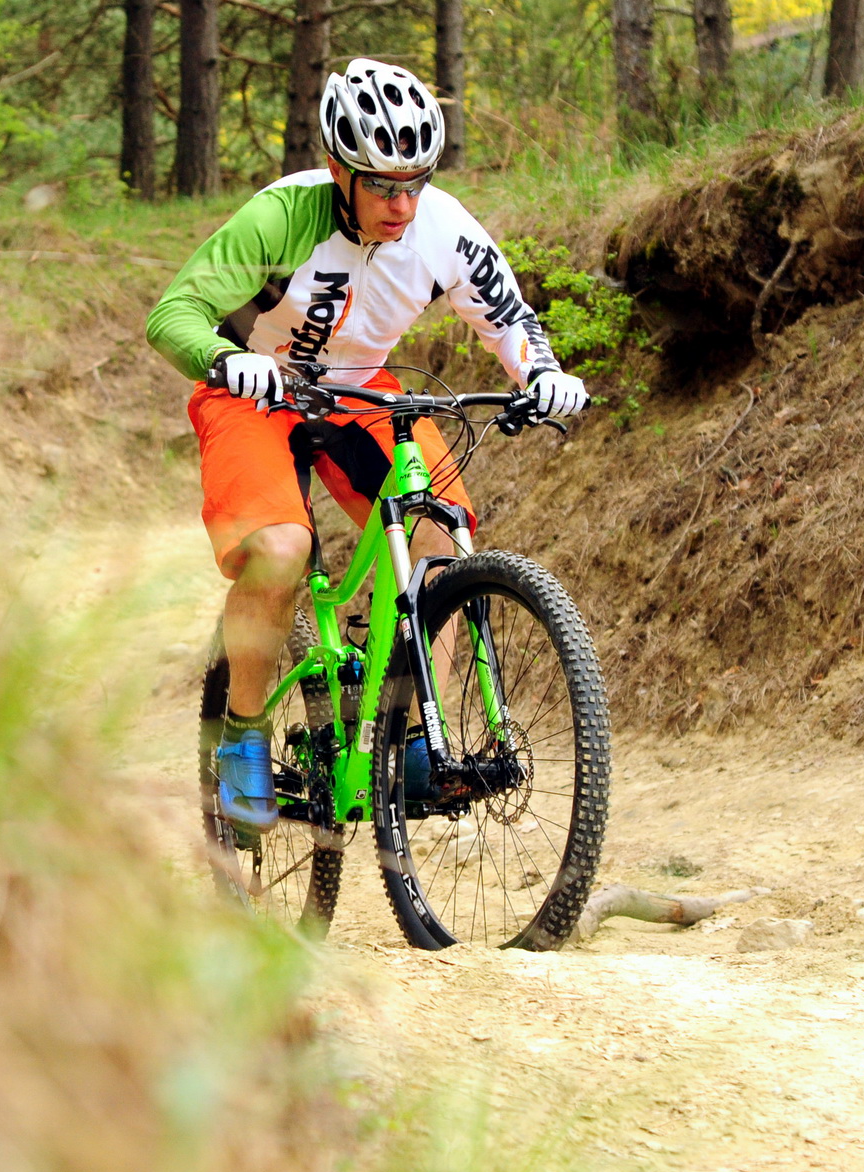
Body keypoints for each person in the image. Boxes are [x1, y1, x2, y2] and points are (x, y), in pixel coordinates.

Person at [144, 59, 588, 831]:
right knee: (281, 550)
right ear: (336, 169)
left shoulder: (442, 225)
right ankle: (242, 739)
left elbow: (509, 316)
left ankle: (417, 735)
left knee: (440, 528)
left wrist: (544, 374)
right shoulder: (282, 216)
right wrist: (227, 357)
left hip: (357, 390)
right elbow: (173, 311)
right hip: (254, 391)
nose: (403, 202)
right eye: (382, 184)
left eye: (416, 180)